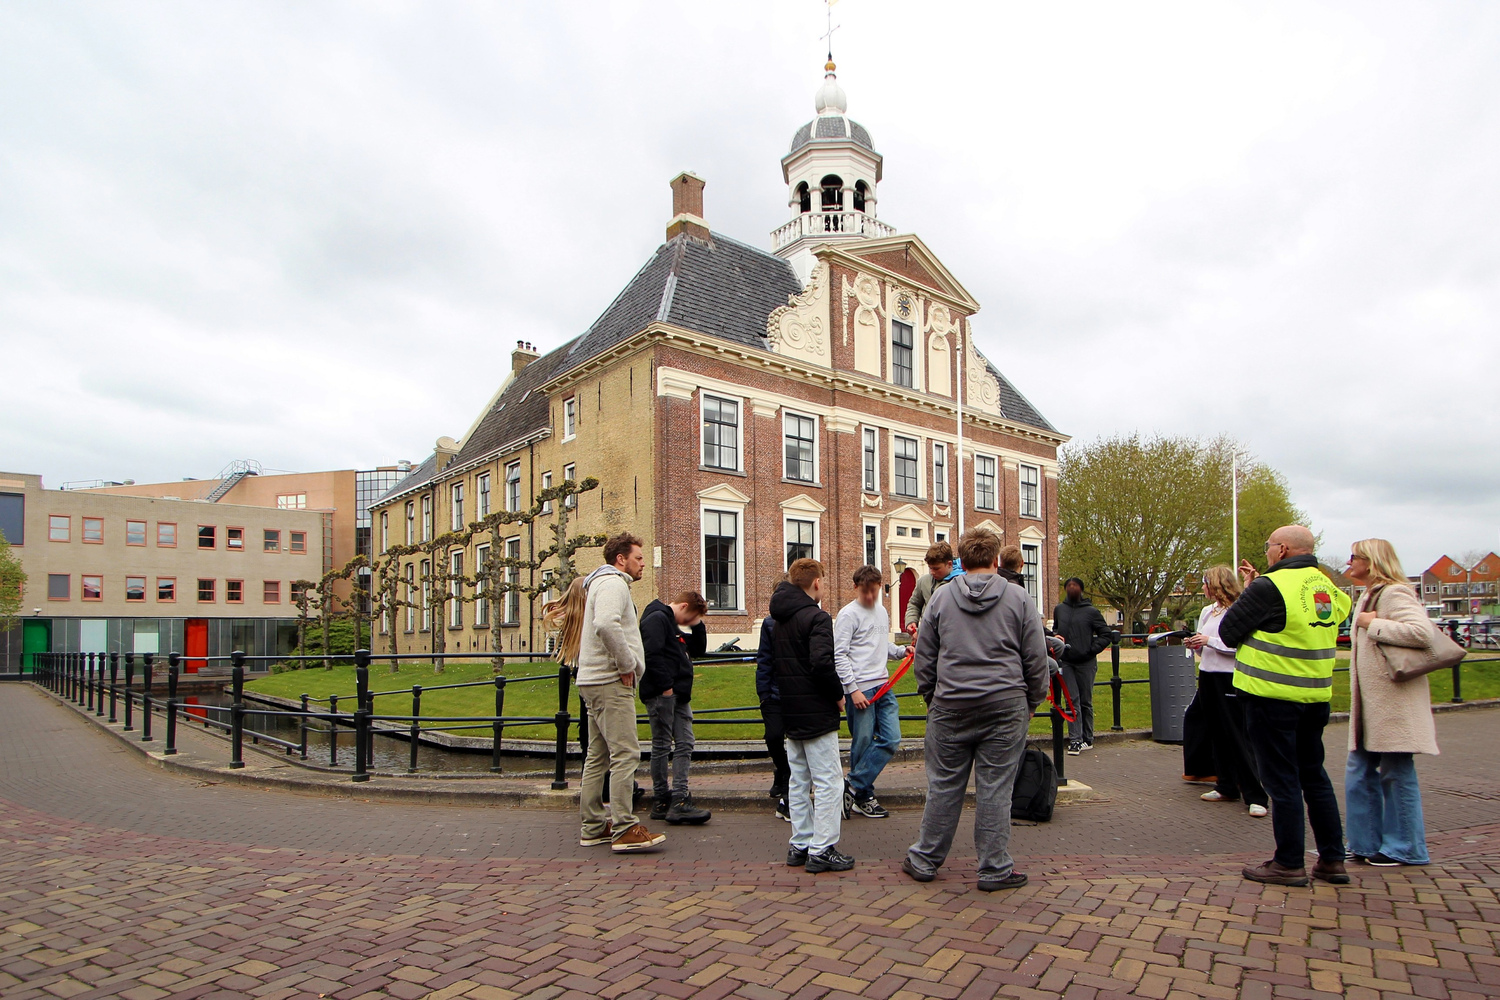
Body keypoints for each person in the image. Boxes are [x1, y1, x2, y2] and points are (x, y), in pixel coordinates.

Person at [903, 528, 1050, 891]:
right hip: (1005, 703)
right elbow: (1036, 657)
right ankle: (994, 867)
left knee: (944, 785)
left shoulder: (940, 600)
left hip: (951, 703)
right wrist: (1032, 700)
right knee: (996, 788)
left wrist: (931, 698)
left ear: (961, 562)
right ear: (995, 560)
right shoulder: (1018, 599)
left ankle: (925, 858)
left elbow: (925, 658)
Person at [1220, 525, 1352, 886]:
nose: (1266, 552)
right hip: (1315, 696)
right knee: (1315, 776)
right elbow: (1329, 618)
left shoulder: (1270, 587)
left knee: (1282, 781)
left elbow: (1228, 631)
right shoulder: (1328, 587)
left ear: (1282, 549)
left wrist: (1252, 596)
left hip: (1271, 696)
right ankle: (1332, 859)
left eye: (1268, 547)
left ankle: (1289, 861)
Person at [1344, 538, 1437, 867]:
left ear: (1371, 561)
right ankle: (1365, 842)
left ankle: (1405, 847)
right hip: (1373, 706)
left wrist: (1374, 624)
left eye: (1354, 556)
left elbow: (1422, 633)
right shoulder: (1367, 594)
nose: (1348, 562)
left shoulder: (1394, 591)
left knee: (1396, 772)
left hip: (1393, 703)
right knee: (1360, 771)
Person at [575, 533, 664, 853]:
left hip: (592, 680)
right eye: (638, 558)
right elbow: (606, 625)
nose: (643, 563)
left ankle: (594, 826)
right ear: (621, 559)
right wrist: (627, 664)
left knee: (597, 756)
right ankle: (624, 827)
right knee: (626, 753)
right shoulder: (613, 583)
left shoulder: (598, 583)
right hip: (611, 681)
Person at [770, 558, 853, 873]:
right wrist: (837, 694)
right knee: (830, 780)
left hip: (791, 708)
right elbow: (821, 663)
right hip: (816, 709)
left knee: (799, 779)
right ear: (816, 582)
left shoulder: (778, 619)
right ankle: (823, 848)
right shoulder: (817, 618)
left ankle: (800, 843)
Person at [1184, 566, 1268, 818]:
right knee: (1216, 731)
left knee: (1237, 734)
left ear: (1217, 584)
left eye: (1205, 583)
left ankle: (1255, 794)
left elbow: (1238, 645)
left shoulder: (1238, 610)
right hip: (1208, 675)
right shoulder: (1207, 612)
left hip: (1229, 677)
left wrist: (1209, 642)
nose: (1202, 588)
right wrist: (1196, 644)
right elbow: (1205, 643)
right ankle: (1226, 784)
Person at [834, 565, 907, 820]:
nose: (870, 597)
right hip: (861, 689)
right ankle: (863, 797)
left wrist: (900, 652)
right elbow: (839, 655)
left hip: (883, 685)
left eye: (874, 592)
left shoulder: (882, 611)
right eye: (865, 592)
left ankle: (852, 786)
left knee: (891, 737)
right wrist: (852, 690)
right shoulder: (847, 615)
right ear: (855, 588)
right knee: (862, 743)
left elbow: (878, 643)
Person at [639, 591, 711, 826]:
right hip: (666, 693)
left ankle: (672, 798)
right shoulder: (658, 619)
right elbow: (652, 654)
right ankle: (667, 799)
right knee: (665, 744)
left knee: (680, 742)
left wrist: (697, 620)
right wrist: (666, 688)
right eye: (690, 617)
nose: (690, 623)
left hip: (676, 693)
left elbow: (698, 649)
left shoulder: (669, 622)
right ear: (682, 606)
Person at [1052, 577, 1113, 755]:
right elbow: (1056, 629)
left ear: (1081, 589)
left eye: (1075, 585)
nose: (1072, 588)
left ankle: (1088, 737)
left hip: (1086, 662)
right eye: (1069, 585)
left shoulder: (1091, 612)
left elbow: (1105, 634)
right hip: (1067, 661)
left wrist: (1091, 650)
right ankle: (1075, 740)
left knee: (1086, 700)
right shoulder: (1059, 610)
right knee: (1072, 699)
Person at [755, 612, 791, 821]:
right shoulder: (769, 624)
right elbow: (764, 659)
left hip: (794, 693)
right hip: (773, 694)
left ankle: (786, 787)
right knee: (773, 736)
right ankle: (782, 769)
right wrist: (764, 694)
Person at [904, 542, 956, 634]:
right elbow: (914, 604)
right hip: (926, 636)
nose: (932, 572)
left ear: (949, 564)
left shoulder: (958, 583)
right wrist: (911, 621)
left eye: (936, 568)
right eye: (930, 568)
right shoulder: (923, 581)